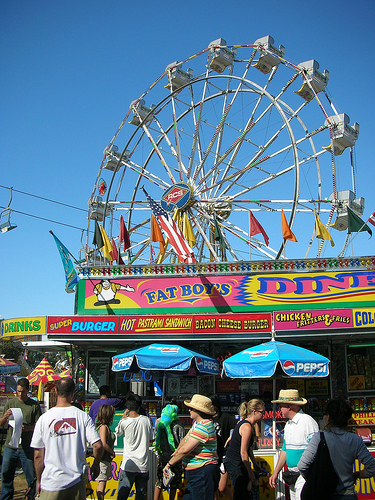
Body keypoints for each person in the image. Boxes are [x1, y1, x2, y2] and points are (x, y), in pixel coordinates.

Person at [31, 377, 103, 500]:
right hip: (76, 483)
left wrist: (39, 480)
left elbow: (38, 455)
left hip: (51, 483)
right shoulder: (83, 417)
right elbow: (98, 445)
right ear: (72, 393)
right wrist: (96, 464)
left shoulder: (44, 419)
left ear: (55, 391)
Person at [298, 399, 375, 500]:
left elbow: (302, 465)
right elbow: (372, 468)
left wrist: (313, 479)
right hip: (348, 495)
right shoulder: (355, 439)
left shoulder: (319, 438)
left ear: (328, 417)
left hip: (325, 494)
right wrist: (355, 475)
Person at [163, 394, 220, 500]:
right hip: (196, 472)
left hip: (202, 471)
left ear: (198, 411)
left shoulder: (204, 426)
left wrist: (169, 464)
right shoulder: (198, 424)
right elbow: (185, 439)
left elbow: (185, 450)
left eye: (191, 408)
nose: (189, 410)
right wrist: (177, 452)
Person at [268, 389, 319, 500]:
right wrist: (275, 472)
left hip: (305, 474)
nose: (279, 409)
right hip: (293, 474)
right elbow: (285, 450)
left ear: (289, 406)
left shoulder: (307, 422)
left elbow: (316, 450)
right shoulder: (289, 425)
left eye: (281, 406)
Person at [0, 377, 41, 500]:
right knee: (6, 474)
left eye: (22, 391)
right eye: (18, 391)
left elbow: (39, 426)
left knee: (30, 475)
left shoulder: (34, 406)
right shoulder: (11, 403)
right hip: (10, 446)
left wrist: (27, 428)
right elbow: (1, 423)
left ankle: (31, 495)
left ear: (28, 390)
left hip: (26, 446)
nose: (20, 394)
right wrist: (6, 416)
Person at [224, 399, 265, 500]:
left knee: (244, 493)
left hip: (236, 462)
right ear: (254, 412)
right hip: (236, 463)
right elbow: (243, 453)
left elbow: (248, 449)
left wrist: (255, 464)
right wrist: (251, 475)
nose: (263, 414)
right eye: (262, 412)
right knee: (241, 493)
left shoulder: (247, 424)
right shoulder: (246, 427)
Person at [115, 393, 153, 500]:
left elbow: (117, 433)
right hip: (143, 465)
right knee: (141, 495)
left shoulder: (124, 422)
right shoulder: (146, 420)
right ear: (139, 406)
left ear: (127, 407)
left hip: (128, 464)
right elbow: (152, 438)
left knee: (122, 495)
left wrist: (122, 418)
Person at [153, 402, 186, 500]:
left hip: (162, 457)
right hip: (175, 458)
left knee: (159, 482)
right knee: (174, 484)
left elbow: (155, 437)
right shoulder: (178, 424)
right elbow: (182, 441)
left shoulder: (159, 422)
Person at [210, 395, 237, 500]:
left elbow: (237, 425)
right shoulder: (205, 419)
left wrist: (231, 436)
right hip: (211, 455)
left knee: (222, 487)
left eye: (210, 405)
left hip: (224, 455)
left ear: (215, 406)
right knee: (212, 487)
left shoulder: (225, 417)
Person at [96, 404, 116, 500]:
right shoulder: (103, 427)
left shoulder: (104, 427)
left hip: (105, 460)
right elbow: (103, 443)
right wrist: (112, 452)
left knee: (103, 482)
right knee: (102, 483)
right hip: (102, 460)